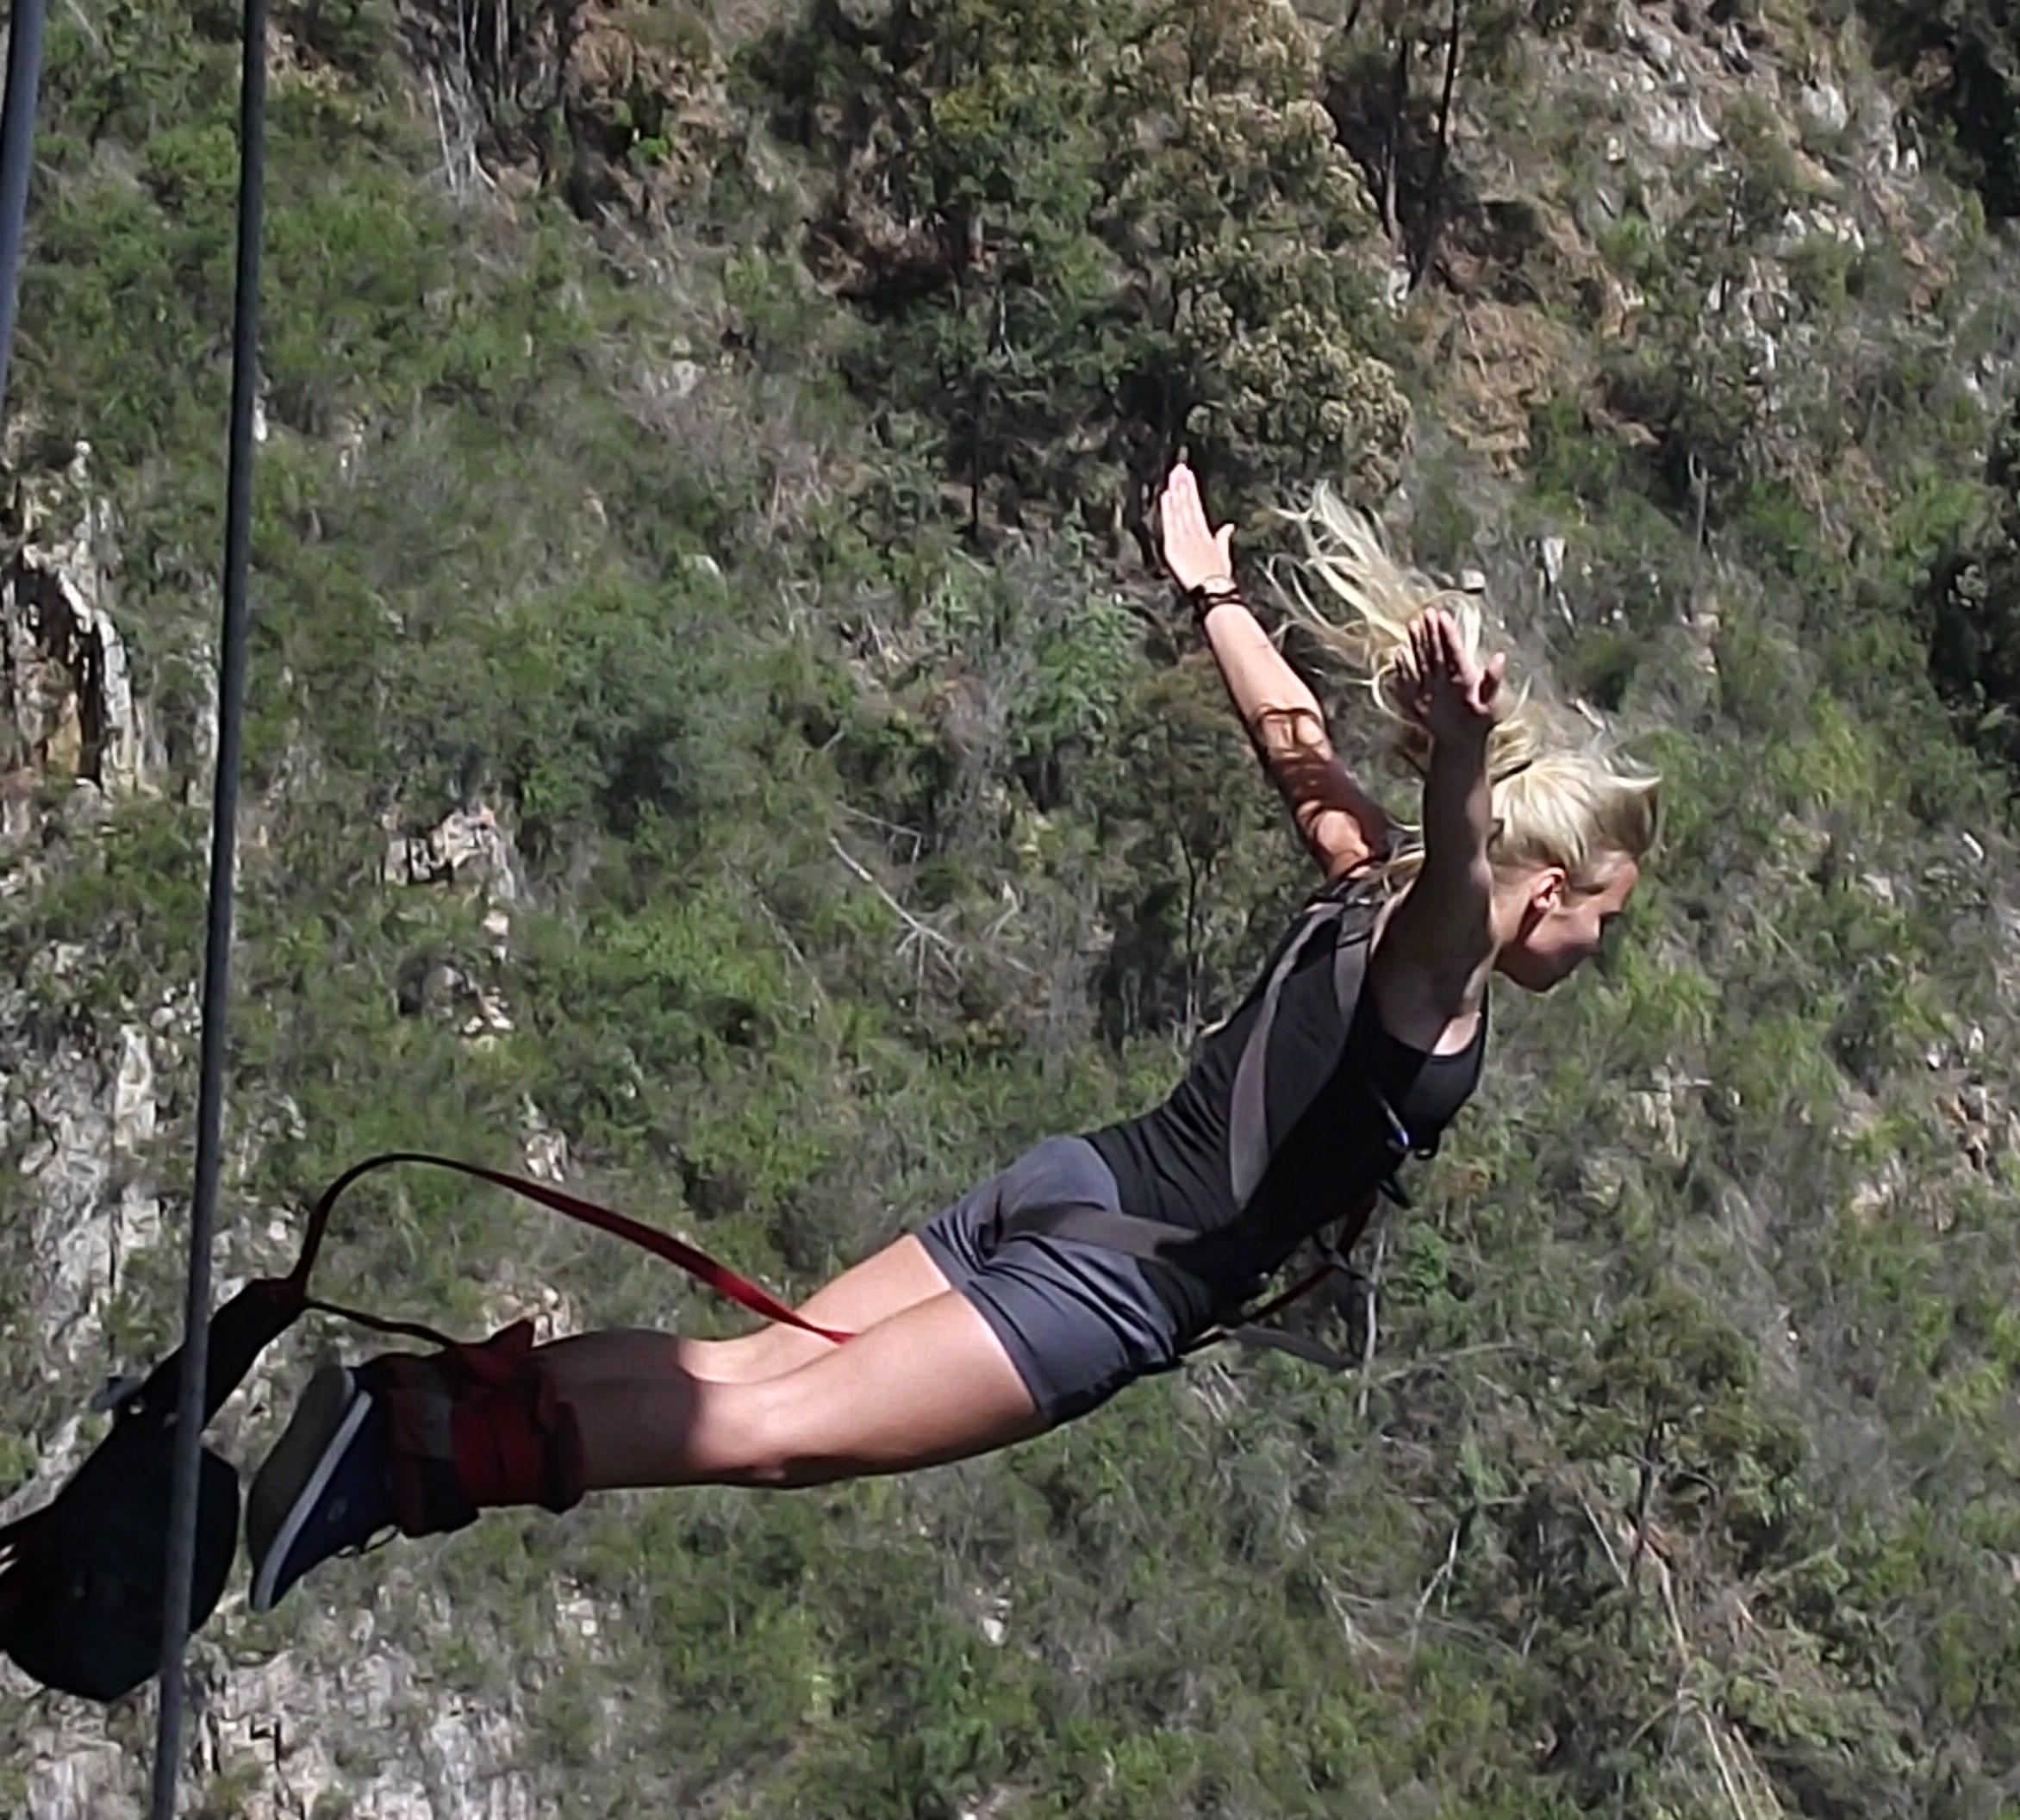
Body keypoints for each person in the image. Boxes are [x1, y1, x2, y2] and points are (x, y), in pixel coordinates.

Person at [243, 461, 1662, 1611]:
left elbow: (1288, 735)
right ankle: (413, 1462)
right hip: (1119, 1284)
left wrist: (1214, 594)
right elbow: (1458, 851)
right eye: (1606, 913)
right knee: (775, 1434)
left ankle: (404, 1415)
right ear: (1544, 891)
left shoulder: (1369, 878)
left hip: (1073, 1185)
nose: (1600, 944)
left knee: (755, 1370)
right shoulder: (1436, 962)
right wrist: (1467, 756)